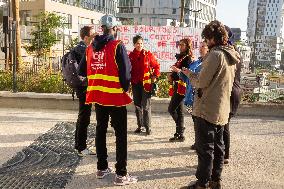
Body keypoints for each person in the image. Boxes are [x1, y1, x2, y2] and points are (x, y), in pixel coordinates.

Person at [172, 20, 240, 189]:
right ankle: (215, 181)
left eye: (207, 39)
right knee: (218, 147)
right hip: (221, 108)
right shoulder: (231, 54)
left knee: (205, 149)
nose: (206, 42)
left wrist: (188, 74)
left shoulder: (215, 55)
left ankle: (201, 183)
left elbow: (201, 81)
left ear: (212, 38)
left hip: (206, 108)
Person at [79, 14, 137, 186]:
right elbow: (126, 74)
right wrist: (126, 89)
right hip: (115, 97)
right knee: (120, 135)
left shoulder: (90, 48)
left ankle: (101, 168)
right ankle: (121, 174)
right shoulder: (117, 45)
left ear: (101, 28)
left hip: (98, 96)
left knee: (100, 130)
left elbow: (82, 70)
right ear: (115, 28)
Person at [129, 35, 160, 135]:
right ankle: (140, 126)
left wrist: (155, 76)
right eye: (138, 43)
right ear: (134, 44)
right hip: (135, 83)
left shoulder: (148, 54)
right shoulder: (130, 56)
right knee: (137, 105)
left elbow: (156, 66)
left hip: (146, 84)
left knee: (146, 106)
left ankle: (148, 127)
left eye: (141, 43)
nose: (140, 45)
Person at [180, 41, 209, 148]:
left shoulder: (208, 63)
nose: (201, 49)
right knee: (195, 121)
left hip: (200, 97)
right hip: (190, 97)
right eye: (200, 47)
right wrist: (182, 72)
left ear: (208, 48)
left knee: (200, 122)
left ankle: (201, 143)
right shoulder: (196, 62)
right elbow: (188, 77)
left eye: (203, 47)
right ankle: (198, 142)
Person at [74, 25, 96, 156]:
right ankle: (81, 147)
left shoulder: (80, 48)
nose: (95, 38)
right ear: (87, 37)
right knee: (84, 117)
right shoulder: (84, 50)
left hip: (83, 87)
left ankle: (79, 145)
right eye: (93, 36)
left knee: (83, 116)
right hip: (84, 87)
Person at [223, 26, 242, 164]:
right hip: (235, 91)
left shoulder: (228, 53)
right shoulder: (234, 51)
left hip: (230, 92)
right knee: (224, 125)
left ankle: (224, 155)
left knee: (223, 125)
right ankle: (224, 155)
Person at [167, 38, 193, 142]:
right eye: (180, 44)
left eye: (183, 45)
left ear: (187, 46)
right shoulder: (181, 57)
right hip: (177, 86)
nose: (180, 46)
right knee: (179, 110)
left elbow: (186, 74)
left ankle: (180, 129)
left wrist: (175, 72)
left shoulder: (188, 59)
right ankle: (180, 134)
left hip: (182, 87)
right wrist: (172, 76)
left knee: (171, 109)